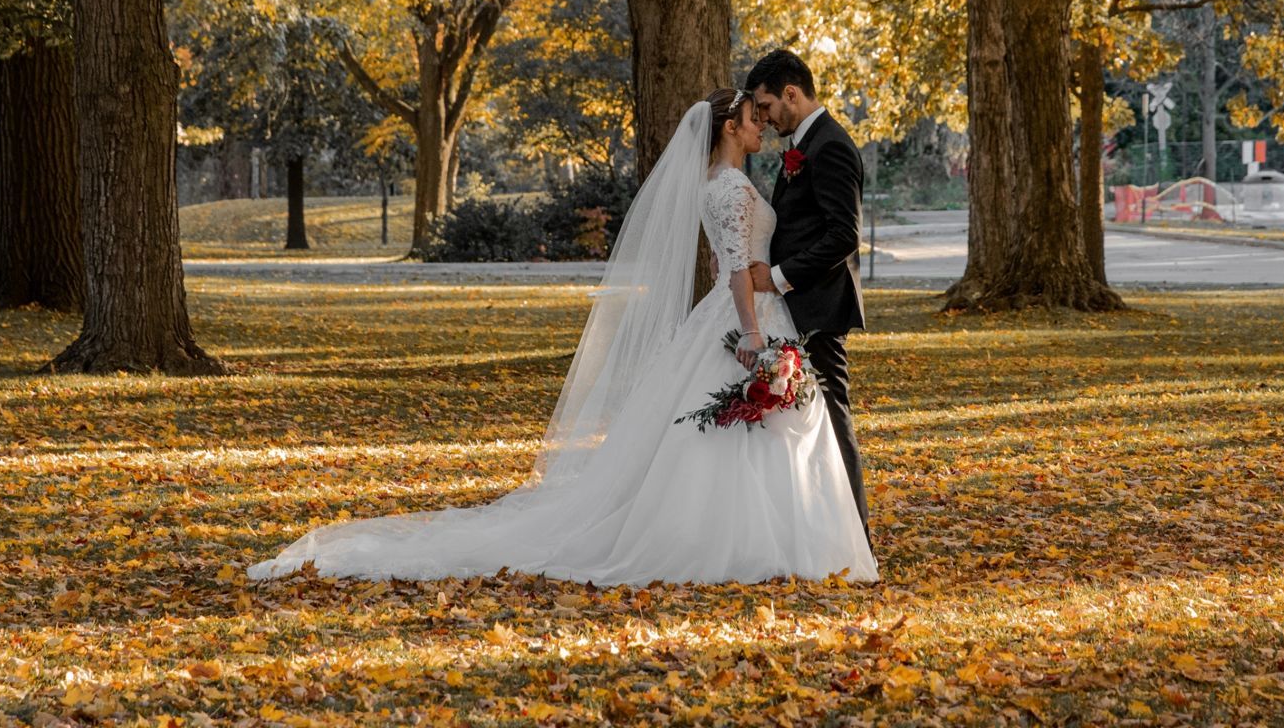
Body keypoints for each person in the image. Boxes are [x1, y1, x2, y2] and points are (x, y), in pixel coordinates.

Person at [247, 90, 876, 586]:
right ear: (729, 129)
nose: (761, 123)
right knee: (748, 431)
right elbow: (737, 270)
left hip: (750, 310)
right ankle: (754, 543)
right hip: (748, 317)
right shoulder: (732, 189)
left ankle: (764, 539)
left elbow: (730, 264)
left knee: (743, 431)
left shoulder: (721, 183)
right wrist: (750, 335)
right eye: (751, 116)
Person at [744, 48, 869, 541]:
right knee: (808, 418)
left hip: (818, 304)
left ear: (791, 94)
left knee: (833, 414)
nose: (765, 118)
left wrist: (776, 277)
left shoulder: (830, 145)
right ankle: (819, 524)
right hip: (795, 305)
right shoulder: (805, 142)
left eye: (767, 105)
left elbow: (843, 236)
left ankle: (856, 530)